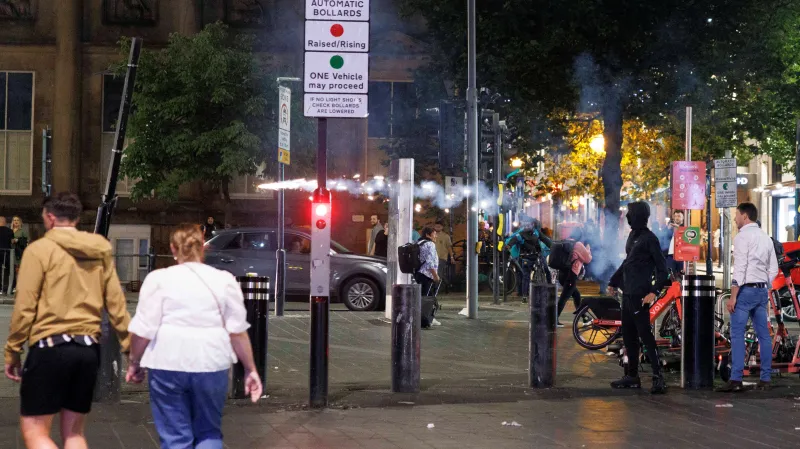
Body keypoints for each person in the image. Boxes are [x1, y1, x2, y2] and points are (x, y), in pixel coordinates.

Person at [4, 192, 132, 448]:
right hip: (87, 349)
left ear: (50, 217)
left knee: (35, 431)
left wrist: (13, 351)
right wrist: (131, 348)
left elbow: (25, 307)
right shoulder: (100, 250)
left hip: (49, 348)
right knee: (74, 433)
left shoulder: (38, 250)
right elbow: (116, 303)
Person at [126, 224, 263, 447]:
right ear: (203, 249)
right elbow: (237, 331)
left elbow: (143, 330)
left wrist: (134, 362)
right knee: (209, 433)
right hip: (211, 362)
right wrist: (251, 369)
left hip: (167, 362)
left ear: (173, 248)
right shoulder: (224, 280)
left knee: (175, 437)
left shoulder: (158, 279)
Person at [608, 201, 669, 394]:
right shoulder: (633, 236)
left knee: (645, 336)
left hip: (640, 295)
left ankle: (658, 377)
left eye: (630, 213)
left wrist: (654, 292)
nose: (627, 216)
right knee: (629, 336)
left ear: (639, 215)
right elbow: (628, 262)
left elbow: (663, 270)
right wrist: (614, 281)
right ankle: (632, 376)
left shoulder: (650, 239)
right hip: (627, 294)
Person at [717, 203, 778, 392]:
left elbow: (740, 269)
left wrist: (733, 297)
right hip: (761, 292)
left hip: (745, 291)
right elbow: (774, 268)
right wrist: (763, 282)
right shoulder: (766, 238)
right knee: (764, 336)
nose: (735, 219)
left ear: (745, 216)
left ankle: (736, 379)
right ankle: (765, 379)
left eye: (737, 215)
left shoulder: (742, 237)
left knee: (737, 335)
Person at [556, 228, 592, 327]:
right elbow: (588, 259)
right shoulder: (578, 245)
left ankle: (584, 318)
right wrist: (588, 248)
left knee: (576, 295)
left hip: (562, 274)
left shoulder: (566, 242)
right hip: (571, 276)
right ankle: (553, 319)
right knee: (563, 298)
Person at [415, 226, 440, 296]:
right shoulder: (430, 244)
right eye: (434, 234)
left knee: (420, 297)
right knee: (426, 299)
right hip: (427, 276)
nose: (436, 236)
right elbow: (430, 263)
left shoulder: (419, 243)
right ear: (427, 235)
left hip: (418, 274)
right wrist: (436, 276)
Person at [434, 221, 454, 291]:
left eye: (439, 227)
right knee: (438, 273)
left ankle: (435, 289)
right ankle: (447, 284)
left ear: (442, 227)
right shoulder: (432, 235)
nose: (437, 228)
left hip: (442, 257)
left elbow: (449, 247)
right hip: (433, 257)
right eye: (436, 226)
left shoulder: (446, 236)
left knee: (438, 272)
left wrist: (451, 257)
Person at [664, 210, 685, 275]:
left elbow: (689, 235)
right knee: (670, 276)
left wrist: (678, 227)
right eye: (675, 216)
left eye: (679, 216)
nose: (676, 218)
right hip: (670, 255)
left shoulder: (685, 227)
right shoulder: (670, 227)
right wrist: (667, 229)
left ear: (683, 217)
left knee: (681, 276)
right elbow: (663, 238)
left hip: (681, 256)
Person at [10, 216, 28, 293]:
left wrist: (18, 240)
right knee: (11, 270)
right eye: (14, 220)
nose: (16, 221)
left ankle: (18, 286)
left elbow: (26, 241)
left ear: (20, 222)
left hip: (18, 253)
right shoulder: (9, 231)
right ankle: (11, 286)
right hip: (10, 252)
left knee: (18, 270)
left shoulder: (22, 231)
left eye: (17, 220)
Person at [0, 217, 12, 293]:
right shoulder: (10, 231)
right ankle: (6, 288)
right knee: (7, 271)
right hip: (6, 254)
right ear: (5, 222)